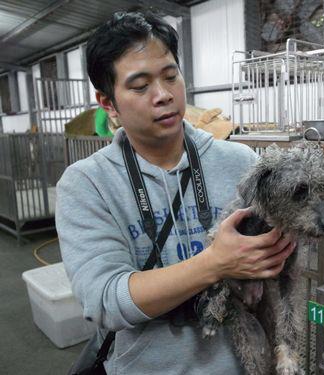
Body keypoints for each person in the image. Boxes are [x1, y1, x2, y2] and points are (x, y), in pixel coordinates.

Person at [55, 11, 296, 375]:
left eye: (171, 76)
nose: (164, 95)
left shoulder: (240, 162)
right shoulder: (87, 184)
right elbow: (104, 301)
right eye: (140, 86)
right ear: (108, 103)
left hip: (244, 362)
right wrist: (215, 263)